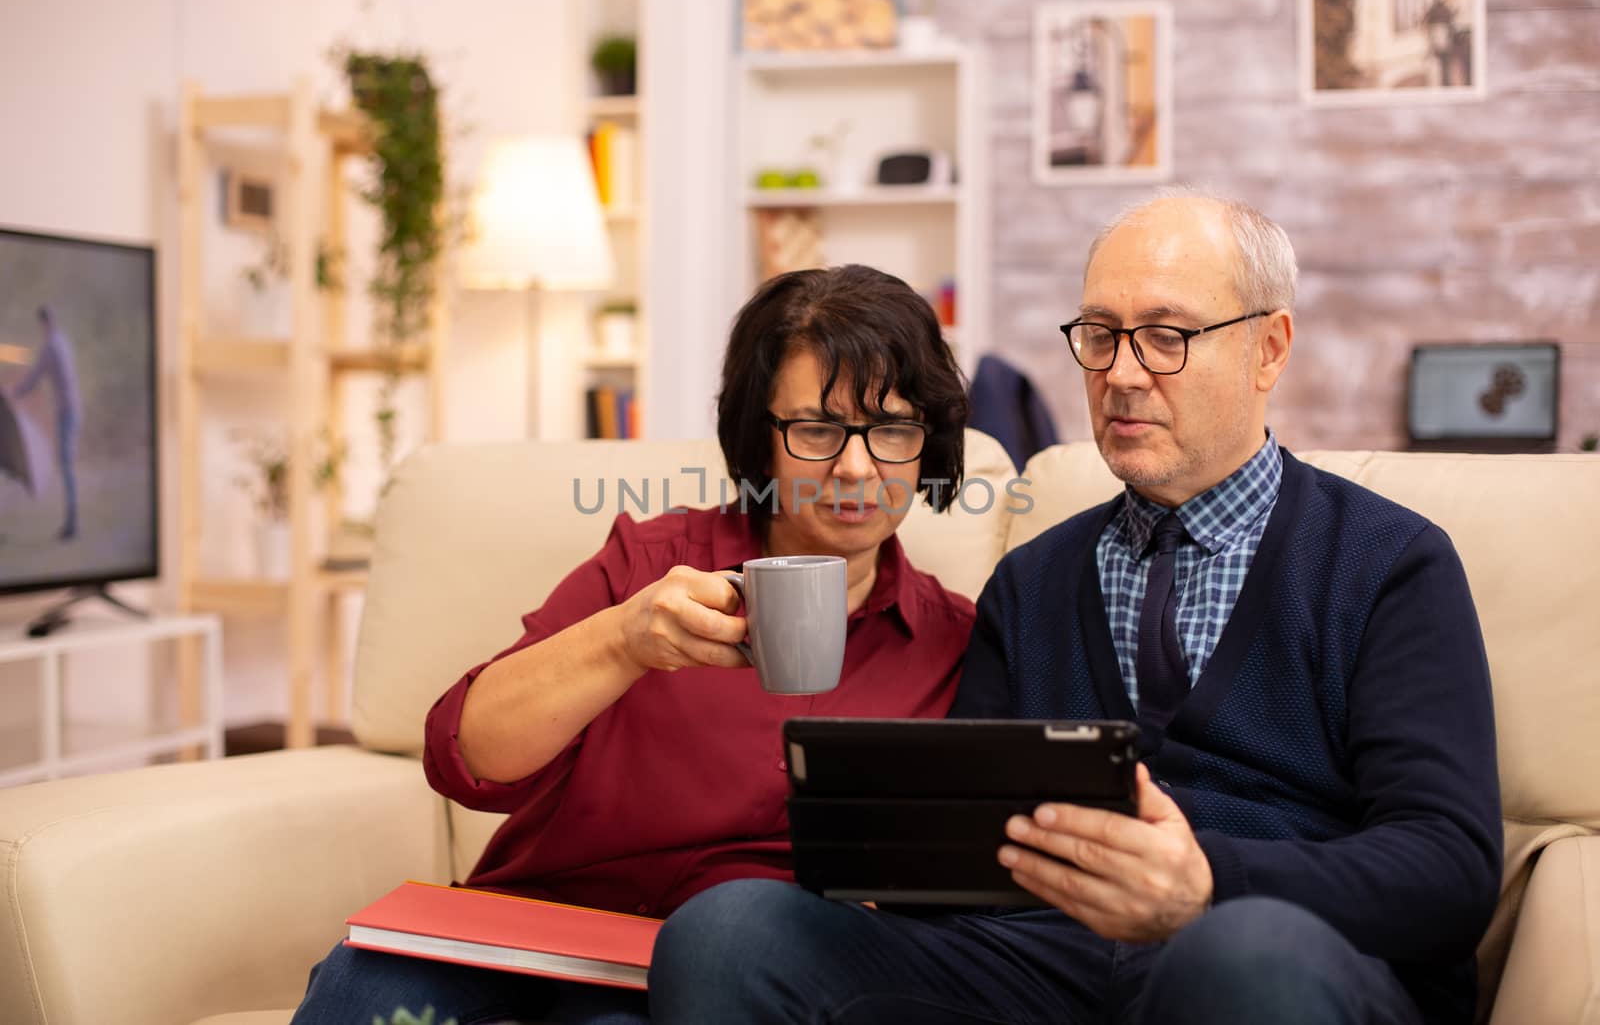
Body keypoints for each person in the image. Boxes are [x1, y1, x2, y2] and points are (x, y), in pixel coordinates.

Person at [648, 192, 1503, 1025]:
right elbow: (961, 867)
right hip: (1044, 966)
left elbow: (1449, 870)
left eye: (1166, 337)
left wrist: (1206, 882)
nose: (1122, 374)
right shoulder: (1031, 583)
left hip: (1275, 954)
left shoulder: (1387, 563)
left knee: (1239, 955)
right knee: (728, 934)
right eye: (1099, 337)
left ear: (1268, 350)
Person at [288, 264, 977, 1025]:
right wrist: (623, 639)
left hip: (701, 980)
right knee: (362, 988)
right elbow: (464, 757)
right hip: (529, 935)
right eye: (817, 429)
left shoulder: (954, 643)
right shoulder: (652, 564)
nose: (855, 466)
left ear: (926, 441)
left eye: (889, 428)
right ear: (761, 436)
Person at [9, 305, 81, 539]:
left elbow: (35, 378)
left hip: (67, 412)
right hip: (71, 410)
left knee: (66, 464)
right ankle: (71, 521)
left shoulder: (51, 347)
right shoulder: (62, 342)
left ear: (44, 323)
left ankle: (72, 524)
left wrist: (13, 393)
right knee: (65, 463)